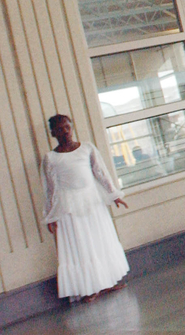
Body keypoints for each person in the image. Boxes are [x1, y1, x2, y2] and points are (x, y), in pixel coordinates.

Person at [41, 114, 129, 302]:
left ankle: (107, 281)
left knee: (99, 241)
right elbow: (50, 189)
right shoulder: (51, 158)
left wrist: (114, 194)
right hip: (69, 208)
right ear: (53, 133)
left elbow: (101, 172)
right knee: (81, 245)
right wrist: (50, 215)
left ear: (72, 127)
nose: (65, 132)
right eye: (60, 129)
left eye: (67, 127)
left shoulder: (87, 148)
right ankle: (89, 288)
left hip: (92, 203)